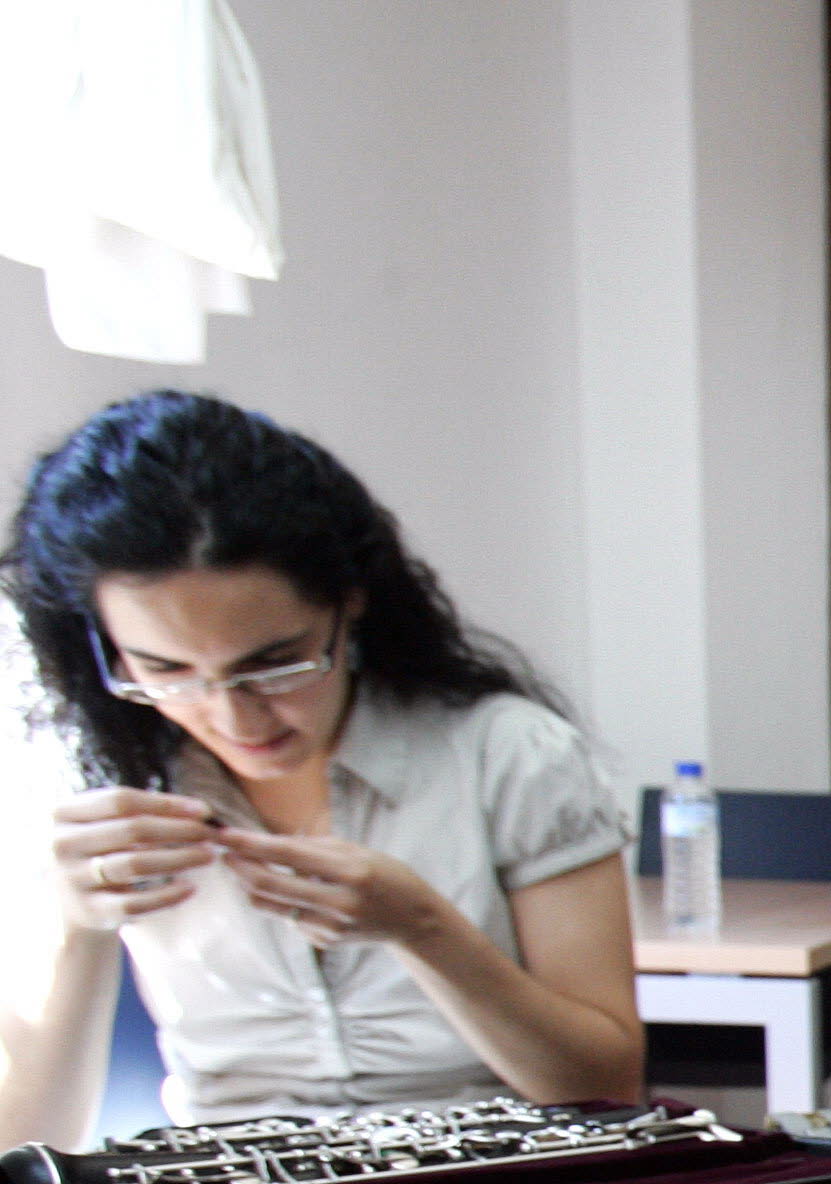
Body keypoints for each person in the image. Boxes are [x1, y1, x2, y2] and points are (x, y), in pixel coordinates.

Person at [0, 391, 641, 1144]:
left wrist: (425, 928)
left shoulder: (509, 756)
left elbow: (606, 1091)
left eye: (274, 664)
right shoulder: (93, 786)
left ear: (352, 600)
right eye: (166, 670)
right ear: (99, 648)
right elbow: (25, 1151)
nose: (233, 718)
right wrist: (77, 927)